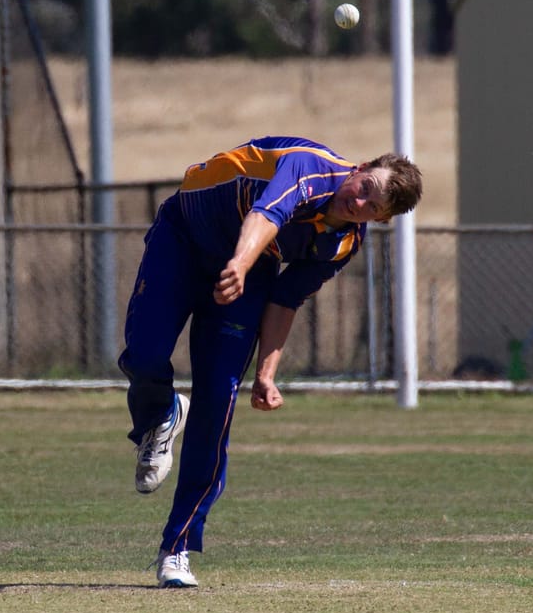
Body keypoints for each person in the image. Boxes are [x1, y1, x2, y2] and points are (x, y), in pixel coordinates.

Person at [121, 138, 423, 588]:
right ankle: (161, 415)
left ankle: (178, 548)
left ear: (379, 219)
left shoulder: (341, 243)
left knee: (219, 399)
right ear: (360, 168)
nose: (357, 200)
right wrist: (239, 265)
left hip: (250, 269)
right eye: (365, 186)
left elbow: (286, 299)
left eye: (370, 206)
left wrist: (266, 373)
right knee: (144, 354)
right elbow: (267, 214)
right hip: (184, 236)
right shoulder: (310, 168)